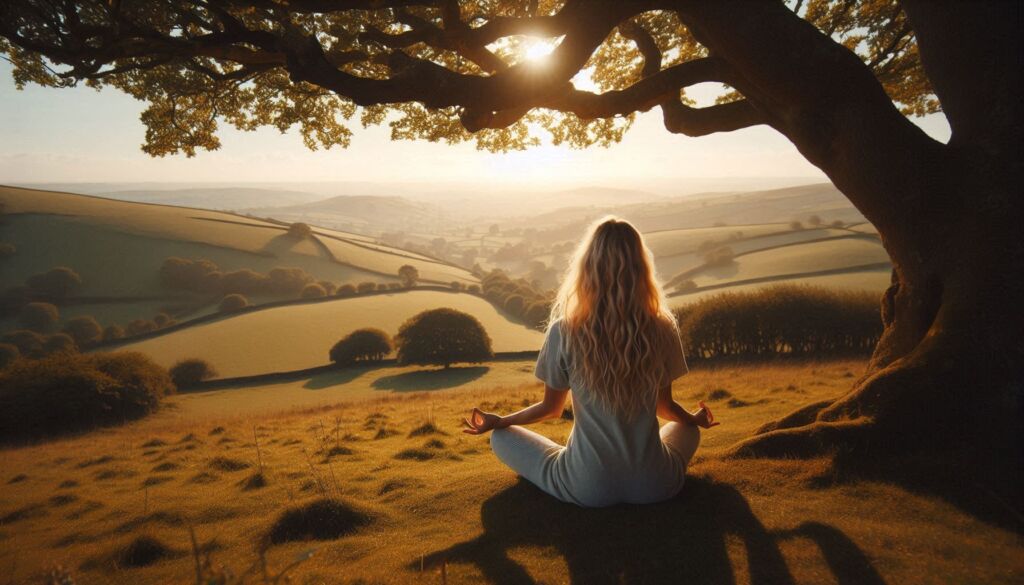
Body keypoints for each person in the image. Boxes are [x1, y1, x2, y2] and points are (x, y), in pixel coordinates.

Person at [463, 216, 719, 507]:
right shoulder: (661, 328)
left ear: (587, 269)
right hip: (655, 484)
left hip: (586, 487)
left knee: (500, 438)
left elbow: (551, 409)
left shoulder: (564, 330)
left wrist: (502, 421)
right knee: (687, 428)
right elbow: (665, 407)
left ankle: (575, 462)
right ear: (641, 269)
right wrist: (694, 419)